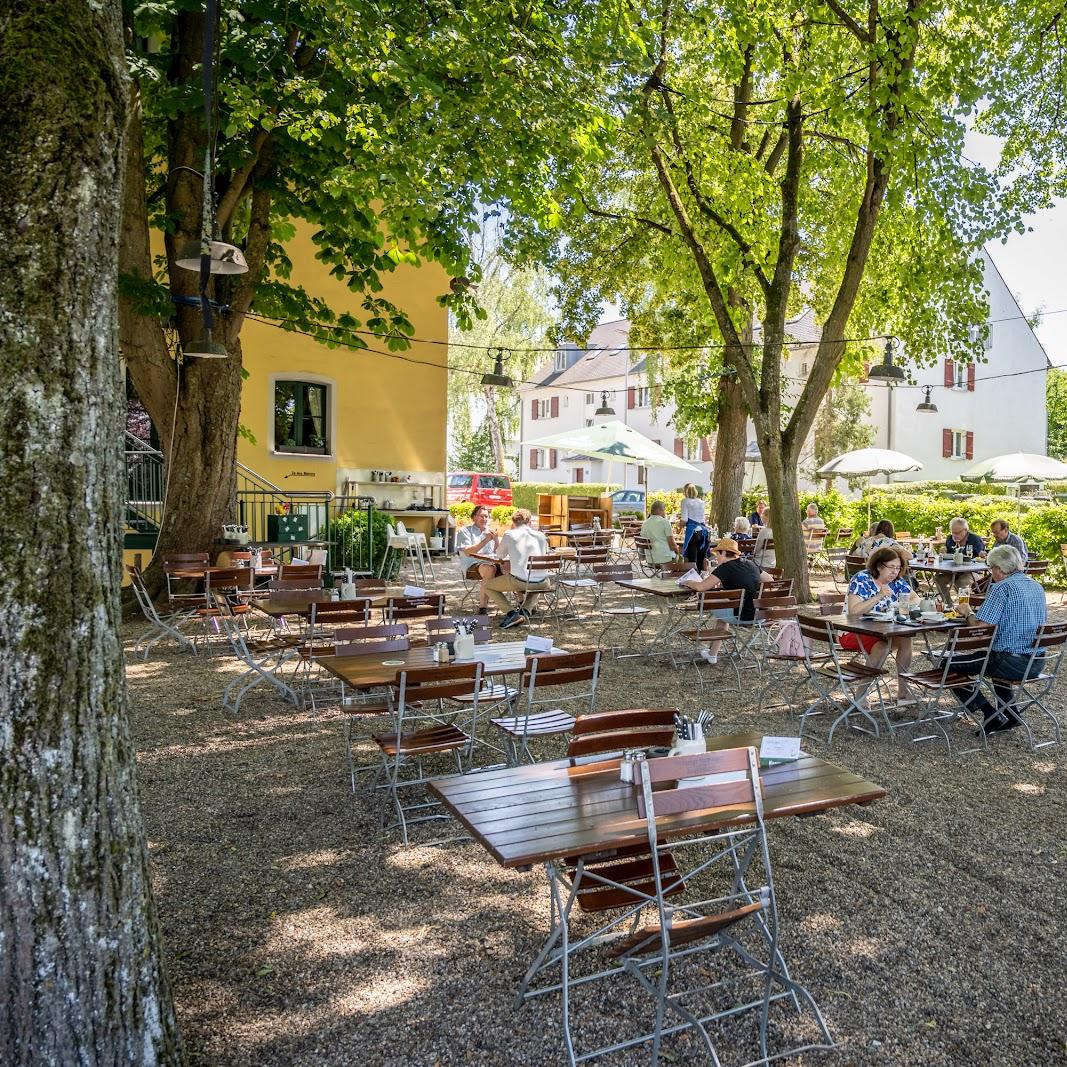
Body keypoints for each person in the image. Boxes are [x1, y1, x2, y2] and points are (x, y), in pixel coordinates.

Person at [950, 544, 1046, 734]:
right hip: (1037, 661)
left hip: (1010, 662)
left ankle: (990, 714)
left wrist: (967, 611)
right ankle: (1011, 716)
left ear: (999, 569)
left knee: (947, 664)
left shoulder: (1001, 588)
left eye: (990, 568)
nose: (990, 572)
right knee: (990, 658)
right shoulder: (1036, 586)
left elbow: (980, 627)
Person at [844, 547, 917, 701]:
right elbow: (854, 612)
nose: (895, 572)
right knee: (881, 646)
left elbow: (916, 599)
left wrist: (900, 605)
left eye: (898, 568)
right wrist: (879, 595)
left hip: (884, 629)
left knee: (906, 639)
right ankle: (861, 695)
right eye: (891, 567)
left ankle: (903, 692)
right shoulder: (862, 579)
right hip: (853, 630)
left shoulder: (896, 582)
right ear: (878, 566)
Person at [683, 537, 771, 663]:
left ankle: (712, 654)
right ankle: (712, 654)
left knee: (716, 607)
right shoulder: (751, 564)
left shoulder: (725, 568)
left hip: (742, 614)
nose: (716, 557)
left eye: (717, 554)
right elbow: (770, 581)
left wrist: (688, 581)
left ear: (723, 553)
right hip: (761, 614)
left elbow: (701, 587)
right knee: (724, 611)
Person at [485, 509, 549, 629]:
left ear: (513, 522)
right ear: (530, 521)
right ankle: (525, 611)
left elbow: (499, 555)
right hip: (543, 582)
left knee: (488, 586)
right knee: (536, 580)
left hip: (520, 581)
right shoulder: (541, 535)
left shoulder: (510, 534)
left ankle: (511, 613)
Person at [454, 505, 499, 611]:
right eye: (481, 516)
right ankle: (483, 607)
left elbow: (497, 553)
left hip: (489, 562)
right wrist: (486, 540)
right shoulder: (465, 531)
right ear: (473, 517)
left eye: (486, 516)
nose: (484, 519)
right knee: (489, 569)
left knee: (510, 566)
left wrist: (496, 540)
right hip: (472, 564)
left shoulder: (489, 531)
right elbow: (468, 552)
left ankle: (522, 603)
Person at [934, 517, 986, 607]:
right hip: (953, 570)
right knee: (939, 579)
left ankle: (965, 607)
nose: (955, 535)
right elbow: (947, 555)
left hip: (972, 572)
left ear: (965, 530)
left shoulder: (975, 539)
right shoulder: (950, 539)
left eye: (957, 532)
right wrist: (944, 551)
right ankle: (948, 605)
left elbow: (981, 557)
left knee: (961, 582)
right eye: (953, 532)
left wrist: (982, 554)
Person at [639, 500, 679, 565]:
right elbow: (672, 545)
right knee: (683, 559)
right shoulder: (665, 522)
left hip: (649, 559)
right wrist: (678, 551)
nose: (664, 512)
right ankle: (671, 575)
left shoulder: (645, 523)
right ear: (659, 510)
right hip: (664, 559)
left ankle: (668, 575)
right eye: (664, 510)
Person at [679, 484, 708, 569]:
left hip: (693, 532)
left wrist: (680, 526)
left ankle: (692, 577)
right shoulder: (701, 502)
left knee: (691, 559)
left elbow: (684, 519)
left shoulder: (685, 501)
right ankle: (701, 577)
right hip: (703, 531)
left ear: (685, 492)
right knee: (701, 558)